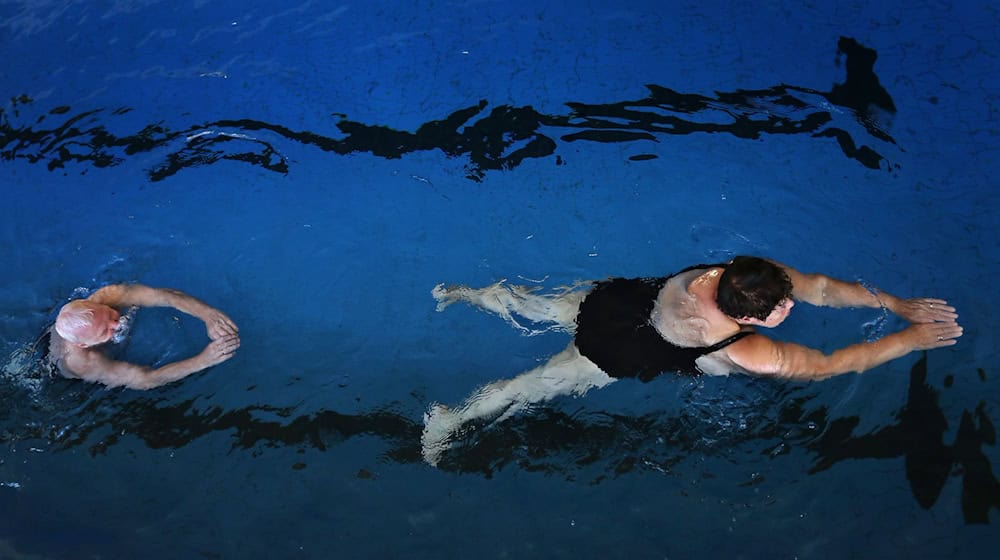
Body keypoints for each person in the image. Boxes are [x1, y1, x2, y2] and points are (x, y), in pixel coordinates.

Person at [420, 256, 962, 465]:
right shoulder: (748, 350)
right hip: (618, 352)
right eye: (781, 307)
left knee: (533, 304)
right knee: (528, 386)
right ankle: (451, 419)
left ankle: (460, 292)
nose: (792, 304)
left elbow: (816, 285)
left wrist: (891, 302)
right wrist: (908, 340)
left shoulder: (723, 275)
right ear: (752, 320)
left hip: (617, 302)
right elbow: (828, 365)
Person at [49, 284, 240, 390]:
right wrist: (203, 360)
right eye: (104, 331)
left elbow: (166, 296)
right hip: (66, 381)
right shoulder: (84, 362)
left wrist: (207, 314)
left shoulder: (107, 296)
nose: (116, 325)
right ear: (84, 344)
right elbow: (146, 379)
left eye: (109, 315)